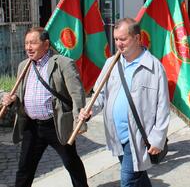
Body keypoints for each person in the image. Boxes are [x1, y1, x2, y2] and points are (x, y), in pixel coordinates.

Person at [79, 18, 170, 187]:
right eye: (115, 39)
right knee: (138, 175)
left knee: (128, 180)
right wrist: (90, 109)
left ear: (137, 38)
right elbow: (100, 94)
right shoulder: (110, 64)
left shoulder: (154, 67)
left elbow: (163, 106)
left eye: (123, 39)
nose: (118, 44)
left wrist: (158, 138)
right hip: (116, 133)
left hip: (138, 137)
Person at [1, 27, 88, 187]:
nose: (28, 47)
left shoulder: (63, 63)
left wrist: (79, 121)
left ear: (46, 44)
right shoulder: (23, 66)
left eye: (33, 43)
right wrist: (12, 99)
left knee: (71, 163)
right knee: (24, 167)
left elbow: (77, 95)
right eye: (26, 43)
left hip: (56, 124)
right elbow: (20, 94)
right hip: (32, 126)